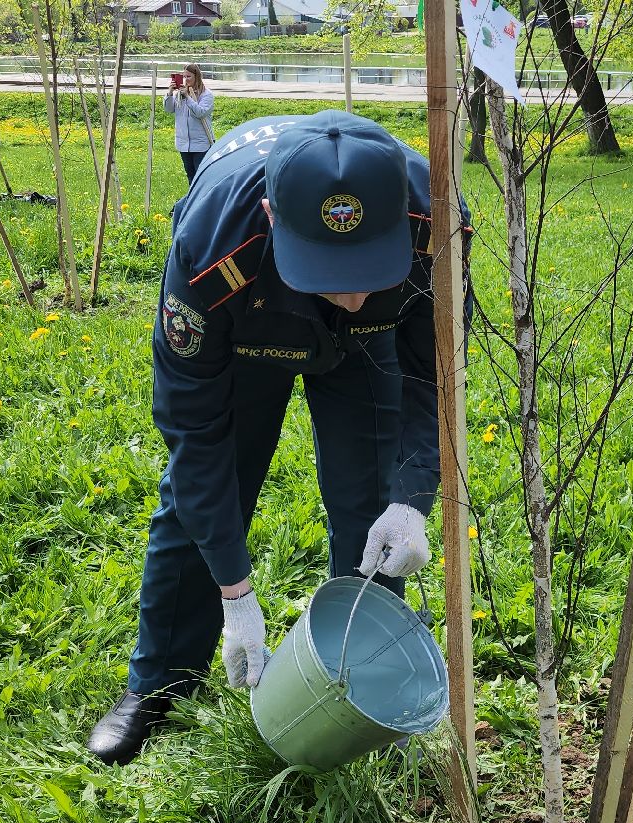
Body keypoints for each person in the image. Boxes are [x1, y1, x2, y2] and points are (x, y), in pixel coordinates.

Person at [85, 111, 462, 767]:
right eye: (328, 269)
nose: (349, 295)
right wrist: (237, 595)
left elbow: (433, 376)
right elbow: (195, 435)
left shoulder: (433, 225)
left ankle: (363, 685)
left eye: (365, 265)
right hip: (249, 327)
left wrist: (411, 496)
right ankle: (159, 684)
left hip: (372, 348)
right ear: (270, 212)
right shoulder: (210, 252)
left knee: (372, 504)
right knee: (201, 498)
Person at [163, 63, 213, 185]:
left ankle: (203, 200)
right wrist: (169, 93)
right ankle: (193, 201)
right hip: (183, 143)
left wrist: (188, 98)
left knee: (200, 176)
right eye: (183, 77)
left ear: (196, 76)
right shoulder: (179, 94)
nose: (185, 80)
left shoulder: (206, 94)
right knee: (190, 176)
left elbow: (201, 113)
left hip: (201, 143)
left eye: (188, 77)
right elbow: (169, 109)